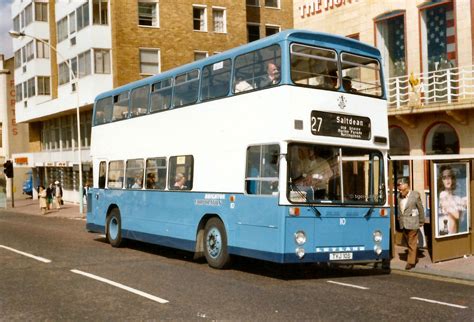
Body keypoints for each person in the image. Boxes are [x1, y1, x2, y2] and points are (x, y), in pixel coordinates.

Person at [397, 177, 424, 270]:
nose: (400, 191)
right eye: (399, 190)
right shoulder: (399, 197)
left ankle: (411, 262)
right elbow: (399, 210)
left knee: (412, 242)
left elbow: (420, 208)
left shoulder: (415, 195)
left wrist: (421, 221)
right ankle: (414, 257)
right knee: (408, 243)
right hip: (403, 223)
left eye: (401, 189)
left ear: (406, 186)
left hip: (413, 223)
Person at [437, 165, 467, 235]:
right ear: (441, 181)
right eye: (444, 178)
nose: (447, 180)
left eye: (449, 177)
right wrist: (461, 204)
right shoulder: (443, 195)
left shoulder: (454, 196)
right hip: (448, 232)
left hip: (455, 231)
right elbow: (457, 215)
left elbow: (462, 217)